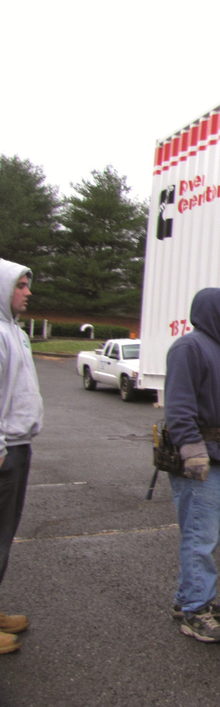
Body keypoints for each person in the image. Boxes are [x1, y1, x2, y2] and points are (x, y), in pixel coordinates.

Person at [165, 287, 220, 643]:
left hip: (215, 455)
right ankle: (195, 611)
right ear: (213, 310)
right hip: (197, 461)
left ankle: (188, 599)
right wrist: (192, 451)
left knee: (202, 532)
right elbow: (178, 407)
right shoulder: (188, 348)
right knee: (200, 535)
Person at [0, 260, 43, 655]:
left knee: (4, 535)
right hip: (4, 451)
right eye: (21, 285)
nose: (28, 292)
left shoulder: (14, 332)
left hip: (18, 447)